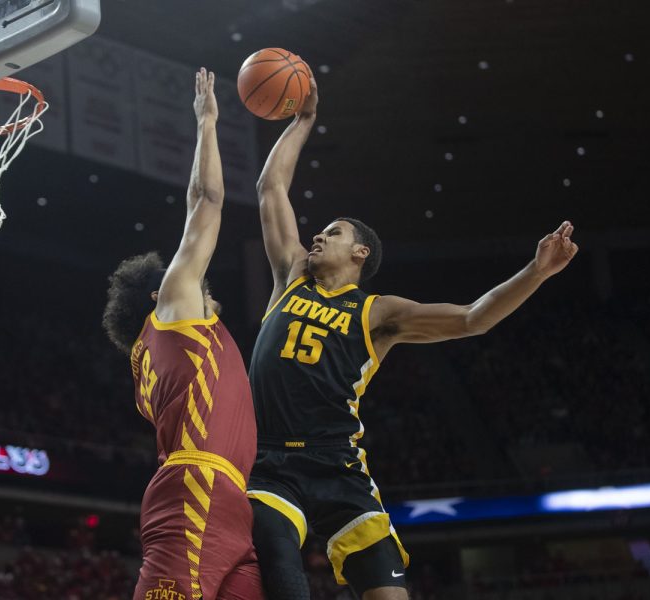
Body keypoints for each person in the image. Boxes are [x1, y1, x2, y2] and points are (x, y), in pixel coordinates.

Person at [247, 78, 579, 600]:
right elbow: (271, 189)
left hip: (337, 463)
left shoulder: (380, 312)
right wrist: (302, 121)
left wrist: (535, 273)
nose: (318, 236)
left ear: (361, 254)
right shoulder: (291, 276)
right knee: (279, 562)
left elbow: (474, 318)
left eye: (333, 233)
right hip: (267, 459)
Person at [102, 68, 263, 600]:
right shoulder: (171, 310)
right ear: (159, 295)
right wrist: (207, 124)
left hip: (224, 499)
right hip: (195, 490)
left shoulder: (152, 362)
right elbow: (205, 202)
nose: (200, 285)